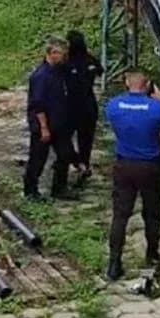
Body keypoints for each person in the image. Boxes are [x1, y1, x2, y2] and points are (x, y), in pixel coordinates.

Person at [105, 70, 160, 282]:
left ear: (126, 82)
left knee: (120, 215)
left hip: (124, 164)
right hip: (150, 165)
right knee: (152, 212)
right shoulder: (156, 108)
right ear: (148, 85)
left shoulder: (113, 105)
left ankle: (114, 263)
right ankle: (152, 254)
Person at [23, 36, 76, 201]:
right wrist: (44, 127)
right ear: (51, 53)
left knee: (64, 155)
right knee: (38, 158)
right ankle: (30, 191)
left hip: (59, 122)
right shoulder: (41, 76)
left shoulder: (59, 71)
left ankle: (59, 188)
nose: (64, 57)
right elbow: (37, 104)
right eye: (60, 54)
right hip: (43, 124)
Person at [65, 30, 103, 179]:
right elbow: (100, 70)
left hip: (71, 105)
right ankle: (83, 162)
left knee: (63, 137)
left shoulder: (67, 62)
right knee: (86, 139)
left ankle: (75, 161)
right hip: (88, 103)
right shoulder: (90, 59)